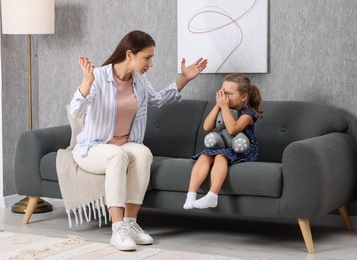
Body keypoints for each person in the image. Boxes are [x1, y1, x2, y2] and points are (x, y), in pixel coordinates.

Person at [69, 30, 207, 251]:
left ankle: (131, 223)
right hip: (93, 147)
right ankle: (117, 229)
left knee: (143, 152)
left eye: (151, 57)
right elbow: (76, 111)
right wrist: (86, 83)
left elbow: (159, 100)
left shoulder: (139, 81)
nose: (151, 63)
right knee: (117, 154)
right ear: (130, 55)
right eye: (147, 57)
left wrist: (184, 79)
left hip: (124, 144)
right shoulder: (99, 77)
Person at [183, 74, 263, 210]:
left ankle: (212, 195)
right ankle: (191, 195)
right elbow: (207, 127)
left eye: (229, 94)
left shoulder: (247, 114)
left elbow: (232, 130)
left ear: (243, 97)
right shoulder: (221, 107)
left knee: (220, 156)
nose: (224, 97)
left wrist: (224, 108)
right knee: (204, 156)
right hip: (222, 146)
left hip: (240, 150)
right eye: (222, 92)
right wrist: (217, 106)